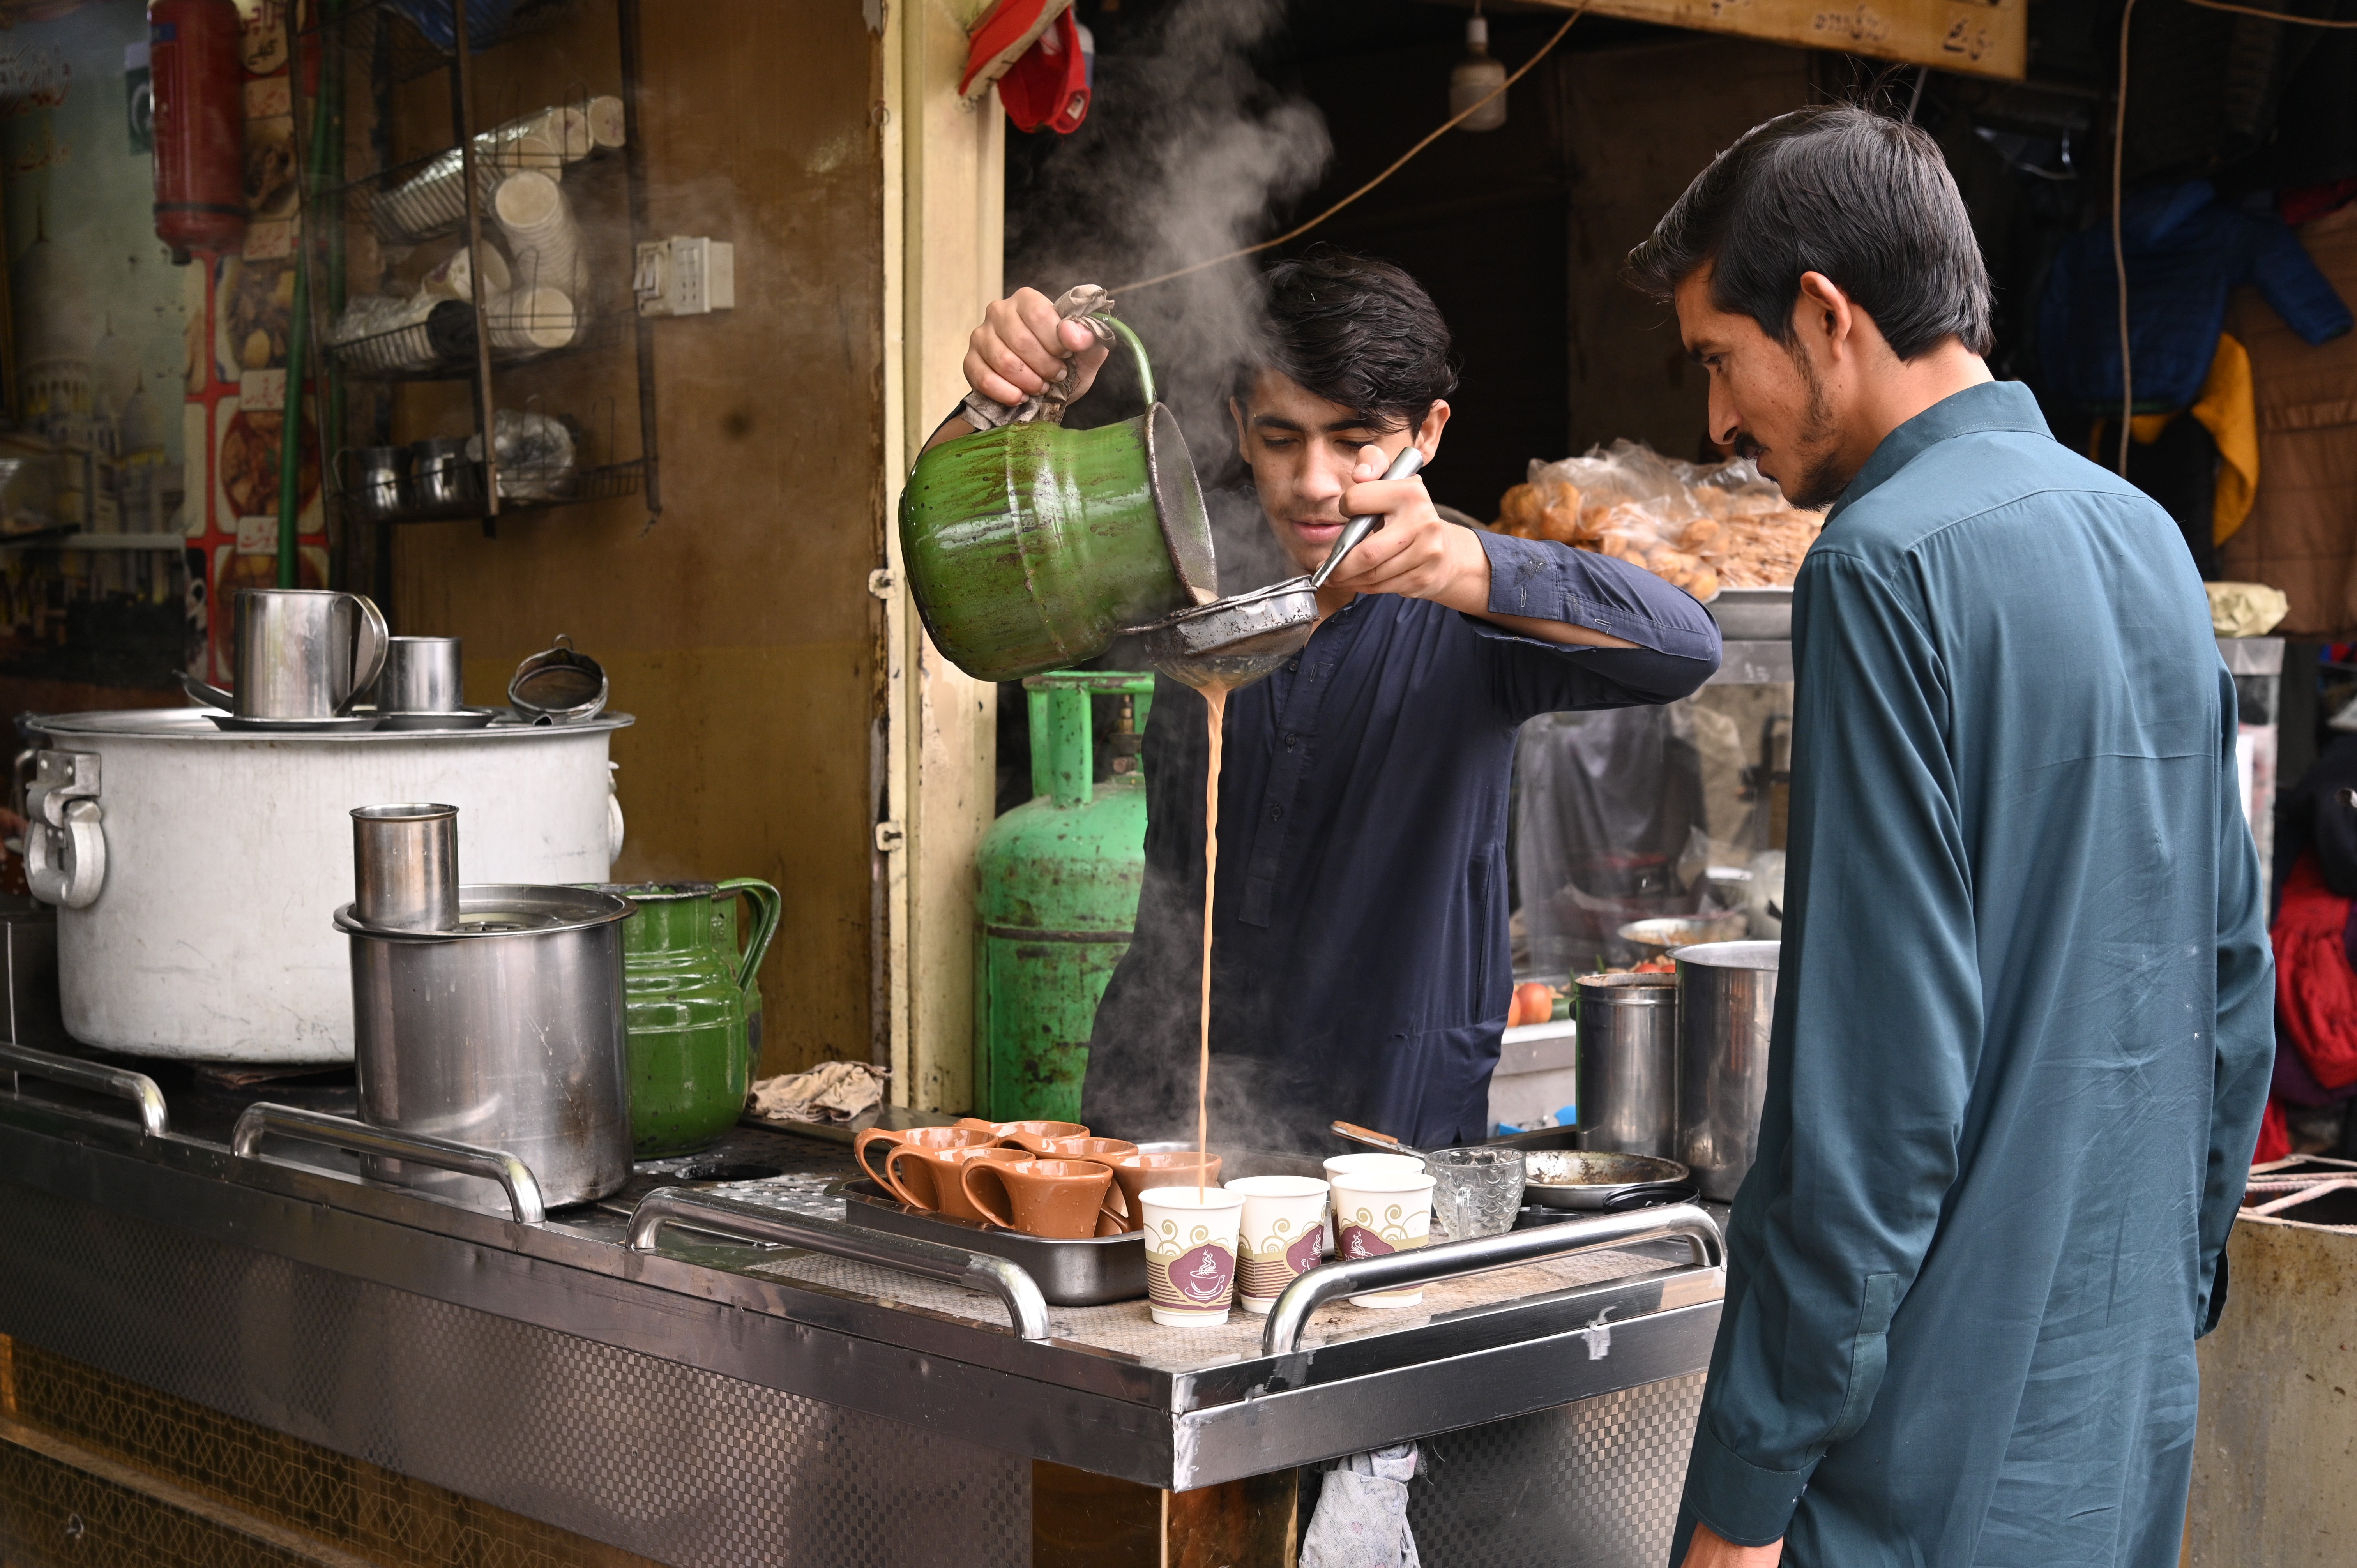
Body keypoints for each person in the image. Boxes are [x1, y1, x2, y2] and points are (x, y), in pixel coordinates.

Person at [1624, 106, 2274, 1568]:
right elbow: (2228, 994)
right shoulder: (2146, 539)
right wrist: (2155, 1305)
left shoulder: (1879, 563)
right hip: (2118, 1423)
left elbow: (1871, 1106)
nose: (1717, 425)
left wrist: (1741, 1486)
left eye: (1719, 362)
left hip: (1918, 1460)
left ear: (1823, 315)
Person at [944, 252, 1722, 1148]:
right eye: (1282, 438)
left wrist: (1472, 566)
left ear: (1428, 433)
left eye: (1355, 441)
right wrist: (1001, 408)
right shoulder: (1187, 580)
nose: (1316, 481)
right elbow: (972, 583)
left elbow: (1687, 646)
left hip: (1394, 1128)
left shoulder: (1474, 608)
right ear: (1239, 426)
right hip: (1165, 1103)